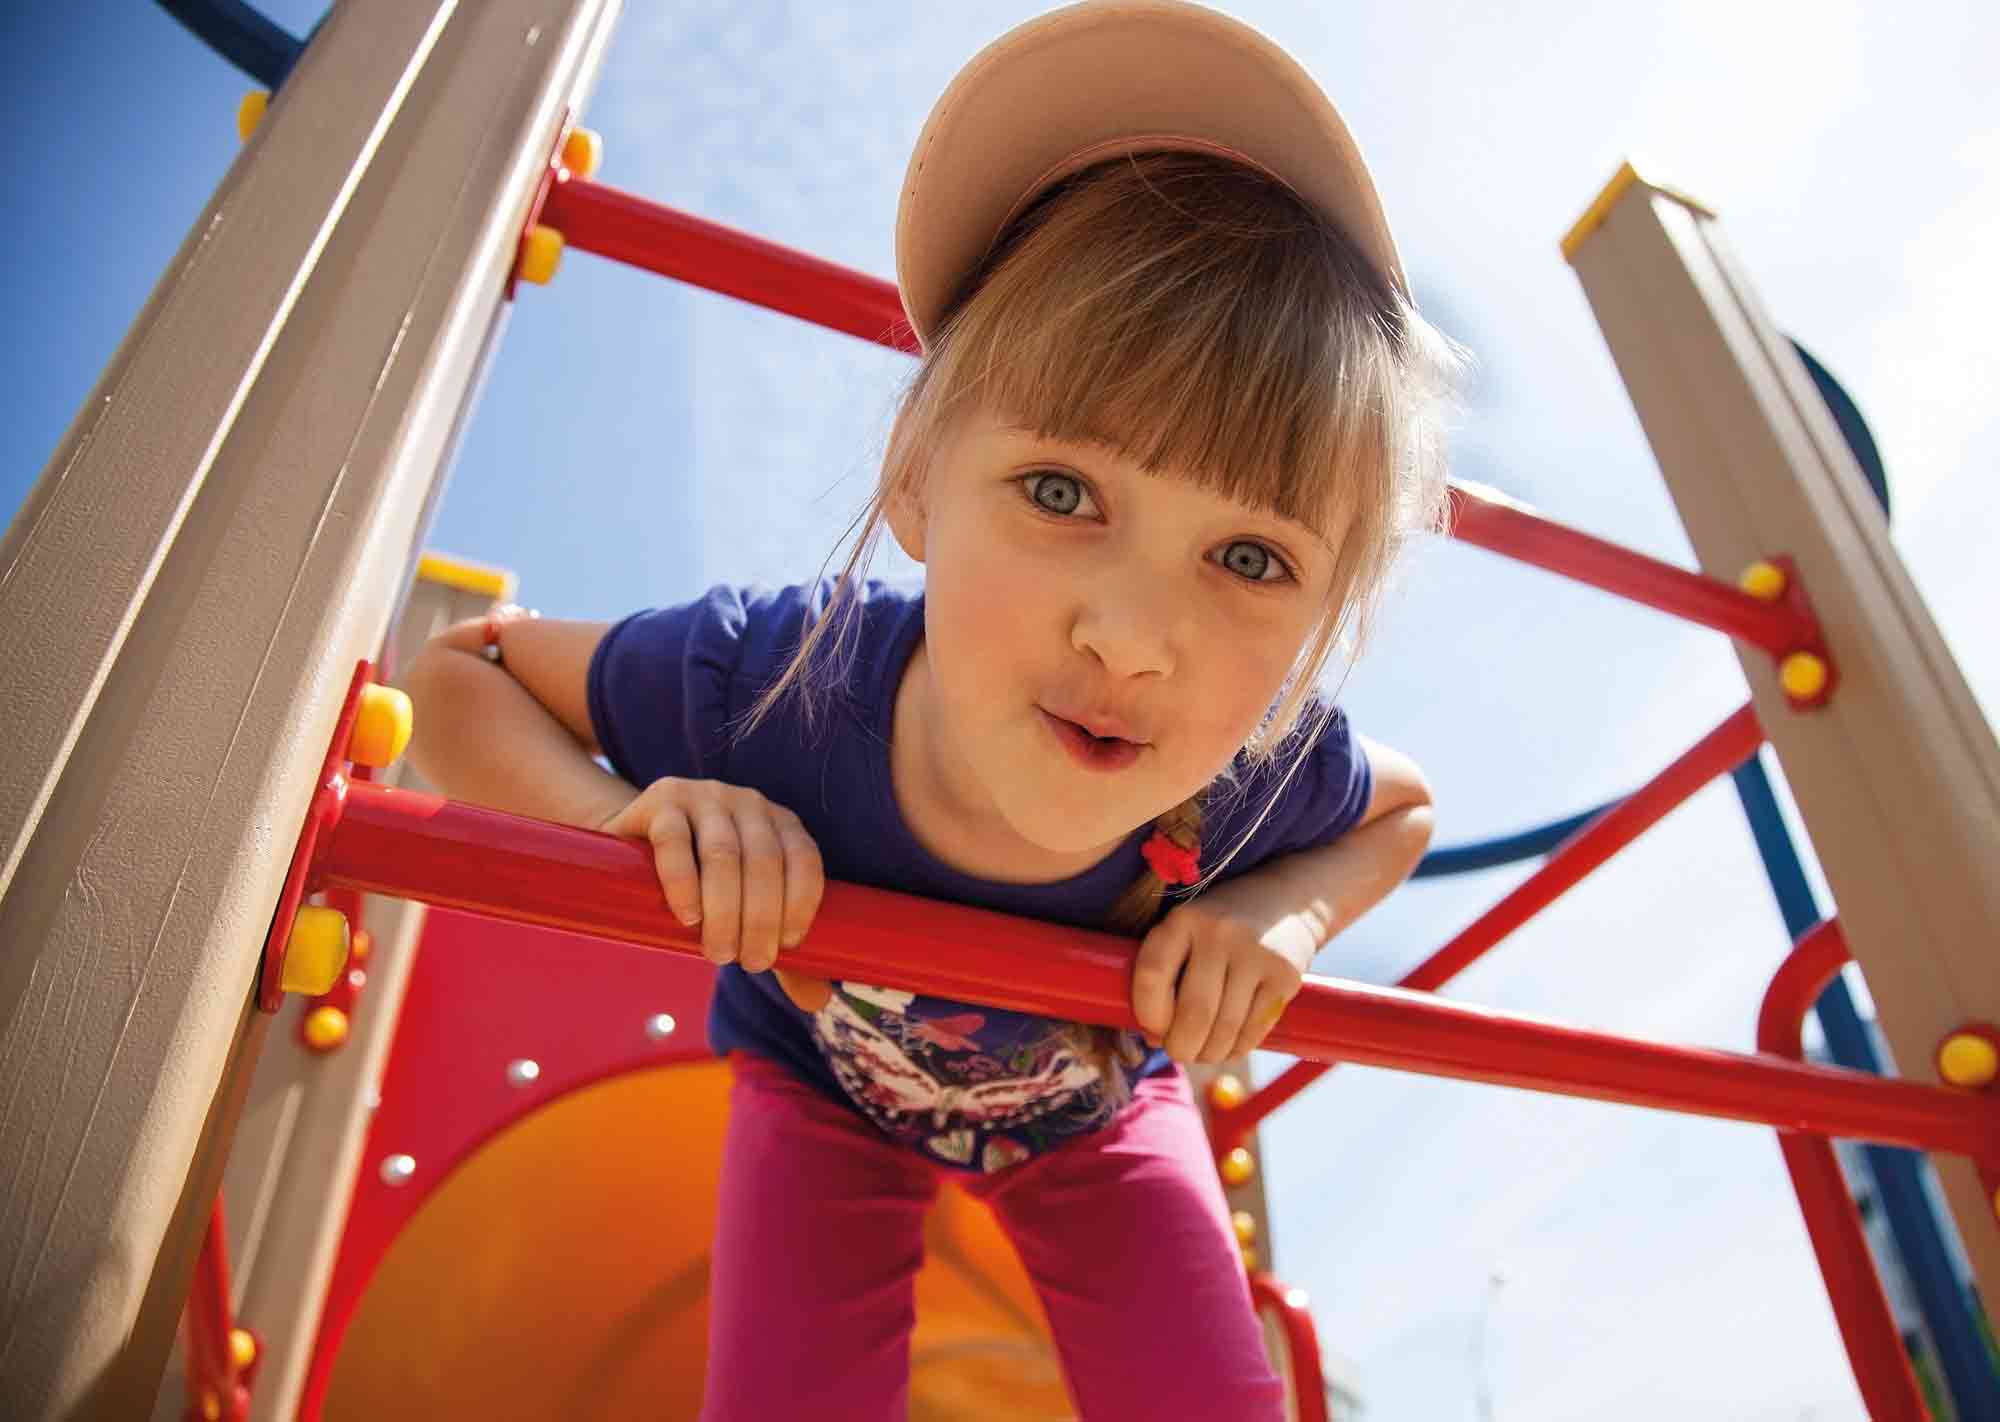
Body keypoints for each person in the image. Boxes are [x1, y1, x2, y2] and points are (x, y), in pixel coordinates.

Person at [404, 2, 1462, 1415]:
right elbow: (456, 677)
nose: (1135, 640)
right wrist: (630, 816)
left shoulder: (1254, 772)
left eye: (1252, 558)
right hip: (821, 1092)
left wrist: (1284, 915)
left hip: (1096, 1108)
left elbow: (1405, 808)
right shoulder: (778, 683)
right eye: (1062, 490)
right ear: (915, 477)